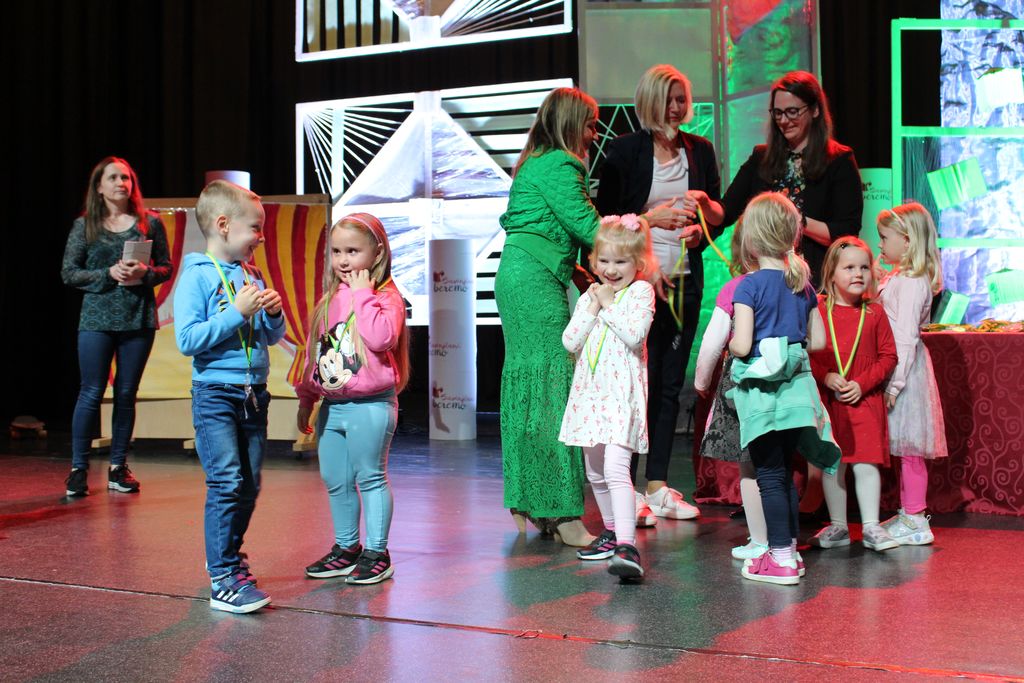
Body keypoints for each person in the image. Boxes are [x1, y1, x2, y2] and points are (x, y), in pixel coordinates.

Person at [496, 86, 683, 546]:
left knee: (533, 389)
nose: (595, 134)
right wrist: (647, 222)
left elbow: (562, 232)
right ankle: (562, 513)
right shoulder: (561, 164)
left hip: (524, 276)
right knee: (552, 389)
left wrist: (584, 275)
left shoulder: (535, 162)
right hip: (533, 281)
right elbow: (591, 230)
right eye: (589, 124)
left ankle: (535, 500)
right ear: (569, 124)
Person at [696, 71, 863, 516]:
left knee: (805, 391)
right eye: (778, 113)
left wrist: (790, 222)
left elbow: (847, 229)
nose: (785, 120)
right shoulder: (761, 159)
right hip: (767, 291)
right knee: (770, 397)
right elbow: (726, 210)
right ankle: (773, 491)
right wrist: (704, 206)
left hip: (809, 284)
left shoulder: (838, 160)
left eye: (793, 111)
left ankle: (812, 489)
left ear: (815, 111)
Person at [595, 64, 720, 526]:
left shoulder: (699, 150)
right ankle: (625, 487)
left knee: (668, 385)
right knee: (635, 384)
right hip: (636, 287)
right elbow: (606, 224)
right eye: (668, 99)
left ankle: (658, 484)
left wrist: (700, 231)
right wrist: (652, 220)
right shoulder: (625, 150)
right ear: (649, 101)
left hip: (683, 280)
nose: (676, 107)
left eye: (681, 98)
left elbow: (716, 214)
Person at [173, 180, 285, 613]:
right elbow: (188, 340)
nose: (261, 236)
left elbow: (267, 337)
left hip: (253, 394)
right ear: (223, 225)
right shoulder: (197, 276)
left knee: (249, 485)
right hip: (215, 394)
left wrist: (272, 314)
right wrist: (236, 313)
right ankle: (223, 576)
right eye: (255, 227)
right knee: (226, 482)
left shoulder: (251, 274)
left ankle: (228, 556)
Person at [727, 192, 840, 585]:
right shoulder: (802, 285)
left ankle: (780, 558)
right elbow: (819, 342)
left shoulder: (748, 286)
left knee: (770, 474)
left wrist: (732, 343)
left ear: (751, 239)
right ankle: (788, 549)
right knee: (786, 472)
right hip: (797, 393)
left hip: (763, 395)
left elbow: (742, 344)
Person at [296, 213, 409, 586]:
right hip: (334, 407)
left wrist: (363, 295)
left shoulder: (385, 297)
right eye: (336, 252)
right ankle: (347, 549)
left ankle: (377, 553)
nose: (343, 261)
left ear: (377, 253)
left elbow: (380, 339)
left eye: (353, 251)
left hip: (371, 405)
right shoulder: (330, 299)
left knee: (370, 476)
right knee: (336, 479)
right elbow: (317, 355)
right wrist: (306, 397)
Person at [61, 157, 173, 497]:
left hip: (137, 317)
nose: (121, 183)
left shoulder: (150, 223)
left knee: (126, 393)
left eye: (125, 177)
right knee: (91, 392)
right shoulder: (85, 226)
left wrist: (145, 273)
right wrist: (108, 273)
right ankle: (78, 468)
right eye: (112, 178)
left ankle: (118, 467)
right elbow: (69, 272)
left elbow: (166, 267)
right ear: (99, 186)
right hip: (96, 319)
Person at [560, 214, 656, 580]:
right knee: (595, 472)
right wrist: (593, 304)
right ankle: (613, 532)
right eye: (604, 260)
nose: (611, 269)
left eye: (621, 262)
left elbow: (634, 335)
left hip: (620, 397)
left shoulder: (641, 293)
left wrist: (609, 304)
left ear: (638, 262)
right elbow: (570, 341)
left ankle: (627, 546)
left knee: (616, 468)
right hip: (590, 397)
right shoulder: (591, 296)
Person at [808, 237, 900, 552]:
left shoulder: (874, 312)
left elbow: (888, 356)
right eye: (849, 268)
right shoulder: (818, 309)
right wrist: (826, 376)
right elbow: (806, 354)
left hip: (864, 400)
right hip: (829, 402)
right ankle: (838, 526)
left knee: (865, 462)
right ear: (831, 273)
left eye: (864, 267)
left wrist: (862, 383)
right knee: (833, 462)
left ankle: (872, 526)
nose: (858, 273)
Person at [693, 220, 768, 561]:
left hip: (747, 386)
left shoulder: (737, 288)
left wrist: (701, 382)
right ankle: (784, 537)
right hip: (787, 388)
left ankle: (761, 538)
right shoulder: (796, 284)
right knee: (778, 463)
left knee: (750, 466)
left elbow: (712, 343)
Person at [875, 203, 947, 545]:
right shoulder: (900, 278)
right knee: (904, 445)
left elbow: (905, 337)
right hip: (898, 368)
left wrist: (895, 384)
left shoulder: (911, 282)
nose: (879, 244)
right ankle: (909, 513)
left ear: (906, 241)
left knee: (910, 446)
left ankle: (917, 518)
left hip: (904, 372)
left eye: (884, 237)